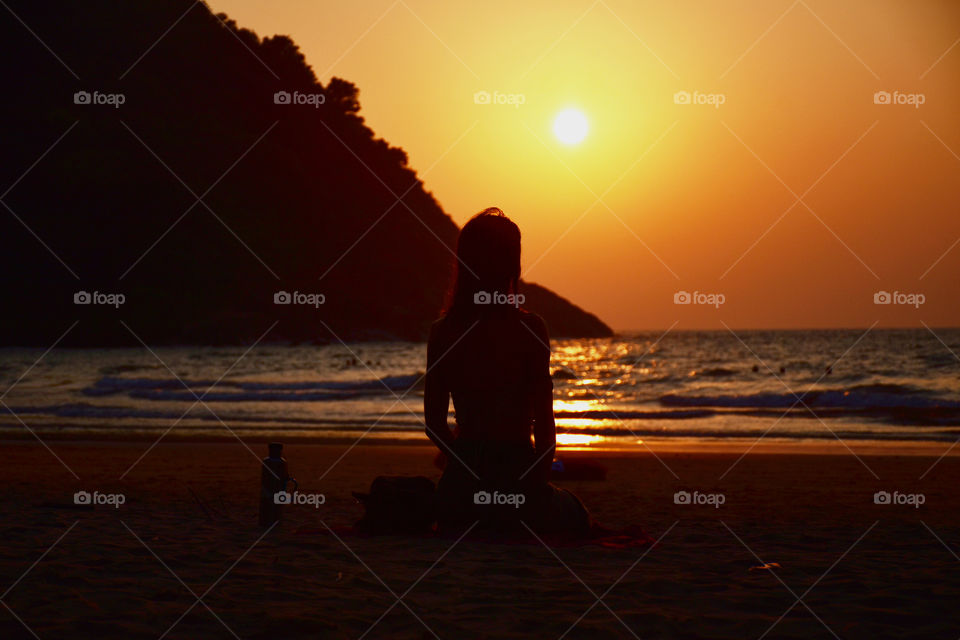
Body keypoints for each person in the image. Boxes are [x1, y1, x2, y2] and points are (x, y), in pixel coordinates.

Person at [424, 207, 589, 536]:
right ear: (512, 265)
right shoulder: (530, 328)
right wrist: (534, 484)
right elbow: (545, 427)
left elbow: (434, 424)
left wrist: (466, 464)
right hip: (517, 473)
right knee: (577, 514)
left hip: (461, 488)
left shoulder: (443, 331)